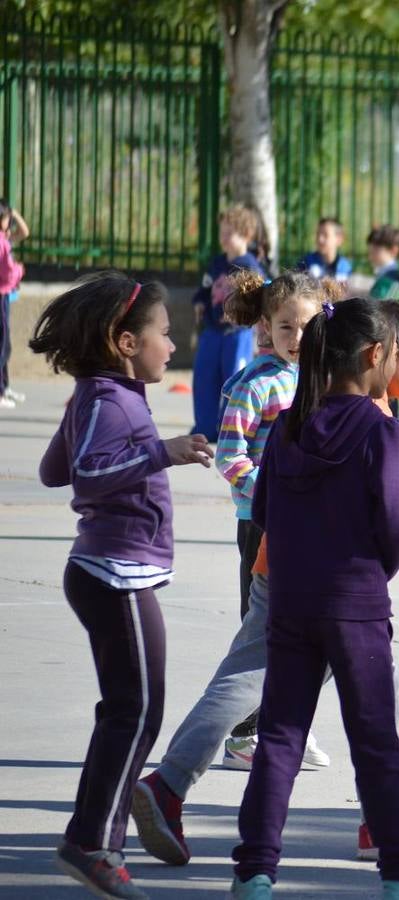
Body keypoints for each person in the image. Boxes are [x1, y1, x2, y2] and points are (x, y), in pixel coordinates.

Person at [132, 301, 399, 871]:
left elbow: (320, 496)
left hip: (296, 575)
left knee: (288, 720)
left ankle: (293, 851)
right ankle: (169, 782)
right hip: (331, 588)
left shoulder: (318, 408)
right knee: (264, 687)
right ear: (385, 353)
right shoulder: (374, 415)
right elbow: (364, 516)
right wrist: (396, 531)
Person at [229, 298, 399, 900]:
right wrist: (377, 571)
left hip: (292, 602)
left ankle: (254, 872)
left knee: (279, 737)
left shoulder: (290, 426)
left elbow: (267, 512)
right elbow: (388, 526)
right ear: (376, 354)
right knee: (375, 742)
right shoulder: (384, 431)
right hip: (355, 604)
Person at [30, 272, 213, 899]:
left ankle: (92, 836)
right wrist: (164, 452)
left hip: (109, 571)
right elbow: (87, 475)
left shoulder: (99, 396)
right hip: (116, 573)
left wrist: (82, 422)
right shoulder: (111, 400)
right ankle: (94, 844)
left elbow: (56, 469)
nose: (171, 344)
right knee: (136, 710)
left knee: (127, 709)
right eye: (163, 333)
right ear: (125, 341)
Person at [216, 272, 327, 618]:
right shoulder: (256, 385)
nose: (297, 338)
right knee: (259, 621)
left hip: (304, 515)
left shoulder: (318, 377)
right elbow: (230, 457)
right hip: (262, 519)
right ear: (266, 326)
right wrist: (271, 491)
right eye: (285, 327)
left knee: (299, 617)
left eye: (308, 327)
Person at [192, 206, 268, 442]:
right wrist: (200, 302)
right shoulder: (216, 264)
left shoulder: (250, 266)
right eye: (221, 232)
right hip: (213, 330)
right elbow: (205, 288)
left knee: (234, 380)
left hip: (238, 334)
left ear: (246, 234)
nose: (223, 238)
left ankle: (232, 429)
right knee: (204, 377)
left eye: (230, 233)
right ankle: (205, 426)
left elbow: (259, 297)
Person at [0, 198, 30, 408]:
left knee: (4, 343)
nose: (10, 223)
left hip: (5, 296)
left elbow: (24, 232)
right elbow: (8, 272)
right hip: (1, 294)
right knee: (2, 344)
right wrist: (20, 270)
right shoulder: (1, 242)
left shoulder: (4, 238)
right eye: (7, 219)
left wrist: (13, 212)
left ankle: (3, 386)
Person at [300, 217, 353, 284]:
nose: (320, 239)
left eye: (325, 235)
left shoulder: (346, 268)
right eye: (318, 234)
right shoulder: (306, 263)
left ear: (339, 239)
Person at [367, 225, 399, 299]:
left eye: (375, 251)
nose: (370, 257)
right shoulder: (382, 276)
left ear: (394, 250)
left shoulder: (390, 279)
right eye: (369, 251)